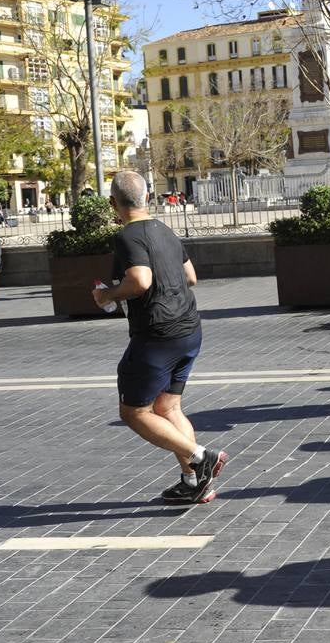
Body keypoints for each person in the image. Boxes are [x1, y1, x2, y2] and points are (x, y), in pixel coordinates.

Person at [91, 171, 228, 505]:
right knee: (168, 407)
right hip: (189, 330)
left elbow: (140, 280)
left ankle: (200, 457)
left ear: (113, 204)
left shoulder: (127, 237)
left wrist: (108, 295)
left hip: (157, 336)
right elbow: (191, 277)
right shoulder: (165, 231)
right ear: (149, 197)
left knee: (133, 412)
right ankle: (193, 483)